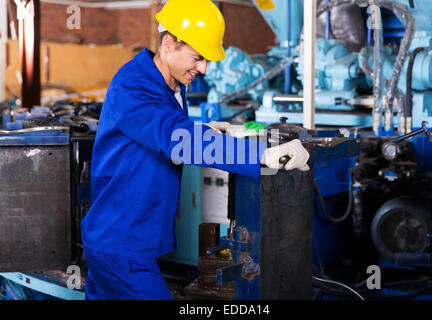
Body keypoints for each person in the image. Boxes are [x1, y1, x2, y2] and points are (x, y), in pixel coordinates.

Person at [81, 0, 309, 300]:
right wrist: (261, 156)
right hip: (120, 241)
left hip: (124, 237)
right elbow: (178, 139)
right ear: (168, 44)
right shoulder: (133, 88)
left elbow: (168, 130)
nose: (202, 68)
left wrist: (205, 130)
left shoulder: (169, 83)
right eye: (198, 57)